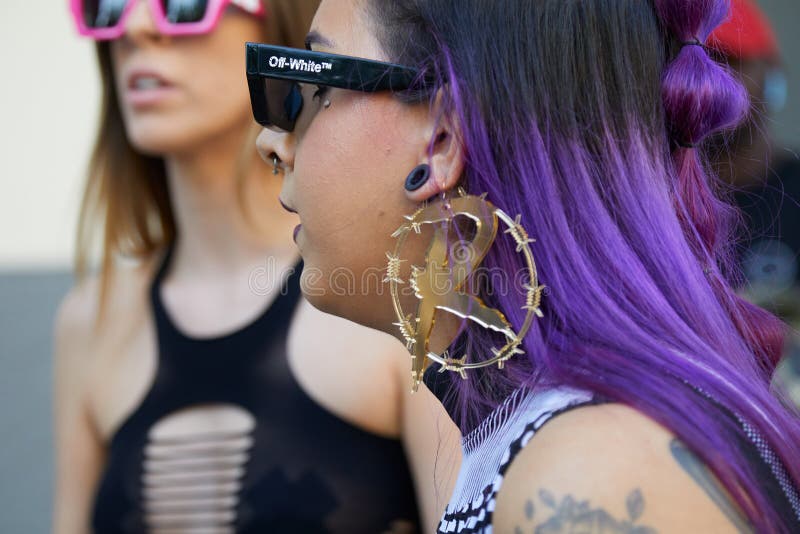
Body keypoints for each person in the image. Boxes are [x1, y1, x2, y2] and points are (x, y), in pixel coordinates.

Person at [252, 0, 800, 532]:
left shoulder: (594, 469)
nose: (270, 141)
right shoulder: (562, 438)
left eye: (313, 85)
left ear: (441, 138)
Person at [54, 1, 459, 532]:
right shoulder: (93, 320)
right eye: (108, 5)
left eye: (183, 4)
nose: (134, 27)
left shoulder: (393, 296)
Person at [708, 0, 800, 407]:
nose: (711, 79)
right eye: (695, 62)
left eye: (728, 61)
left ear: (774, 77)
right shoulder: (646, 199)